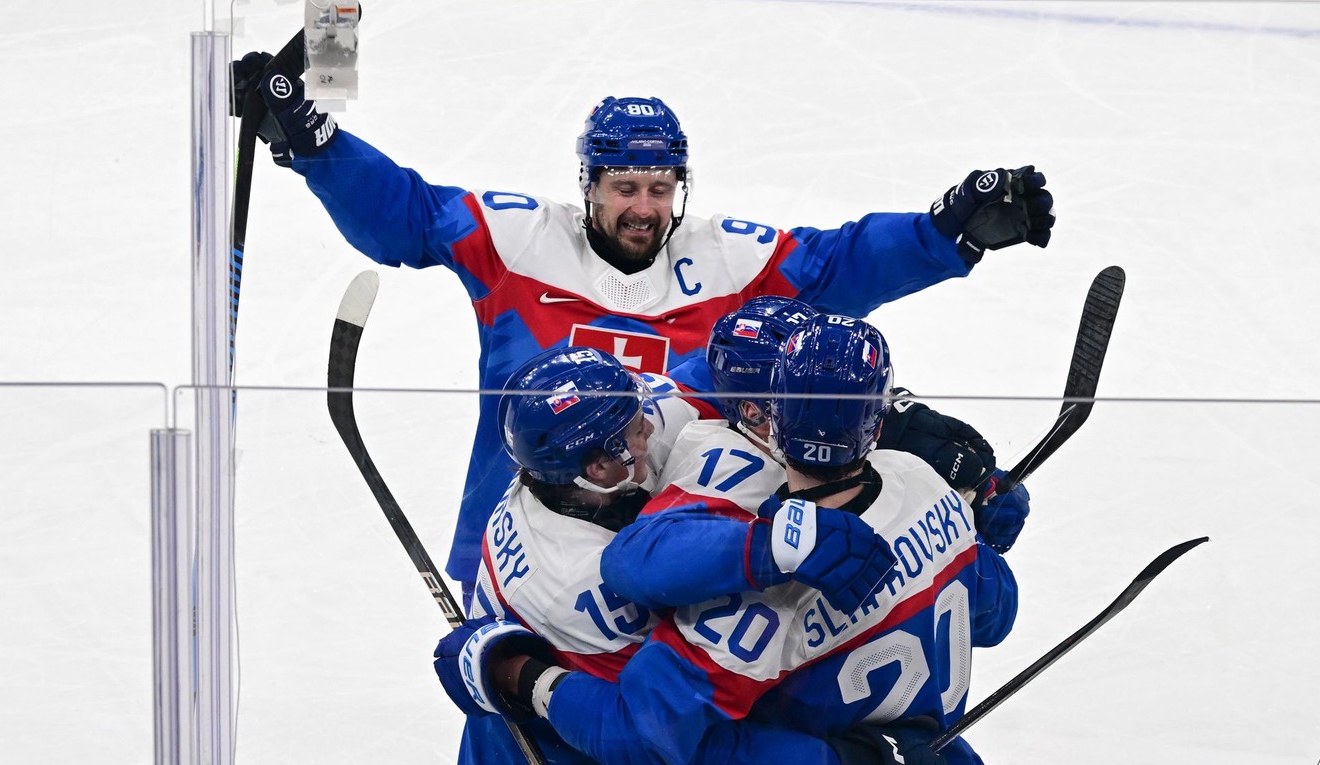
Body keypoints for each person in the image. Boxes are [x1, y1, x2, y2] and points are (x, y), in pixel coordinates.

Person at [232, 52, 1057, 592]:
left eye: (660, 188)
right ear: (589, 182)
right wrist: (314, 142)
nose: (643, 207)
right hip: (529, 546)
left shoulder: (730, 260)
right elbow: (406, 216)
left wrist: (944, 233)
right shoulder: (521, 240)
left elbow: (841, 265)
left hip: (683, 547)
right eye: (625, 186)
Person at [443, 315, 1029, 765]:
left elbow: (658, 737)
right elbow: (995, 614)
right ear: (599, 467)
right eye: (634, 424)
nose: (652, 419)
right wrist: (972, 507)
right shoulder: (920, 480)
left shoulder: (742, 603)